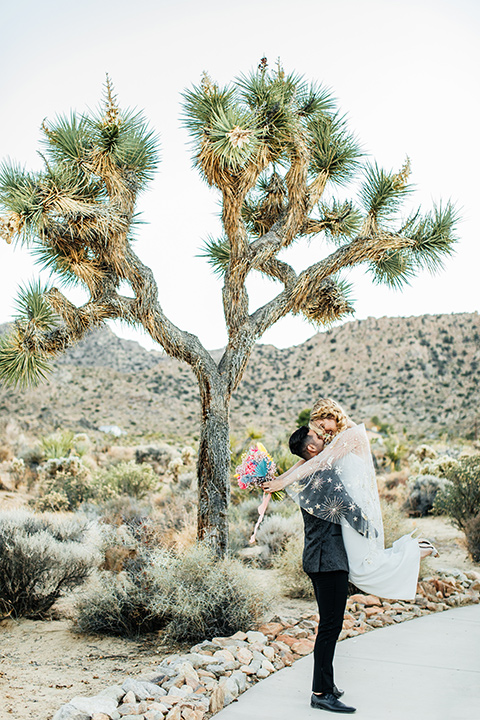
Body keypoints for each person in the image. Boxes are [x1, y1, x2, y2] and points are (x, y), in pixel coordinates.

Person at [262, 399, 437, 714]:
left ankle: (326, 685)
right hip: (326, 561)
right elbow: (341, 502)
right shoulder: (321, 476)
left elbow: (310, 465)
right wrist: (369, 529)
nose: (322, 435)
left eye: (321, 428)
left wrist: (279, 481)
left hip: (324, 559)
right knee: (330, 626)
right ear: (312, 449)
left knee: (330, 625)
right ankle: (320, 692)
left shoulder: (320, 466)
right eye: (316, 434)